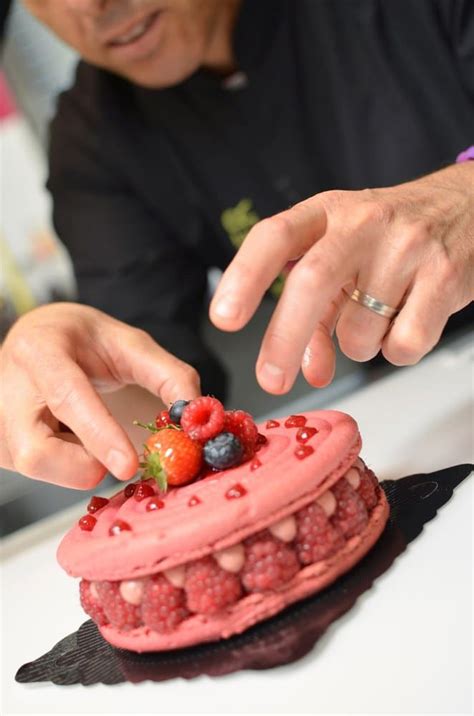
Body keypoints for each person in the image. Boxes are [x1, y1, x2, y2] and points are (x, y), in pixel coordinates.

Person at [1, 0, 473, 487]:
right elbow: (161, 396)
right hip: (425, 434)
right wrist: (66, 379)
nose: (87, 5)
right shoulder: (95, 138)